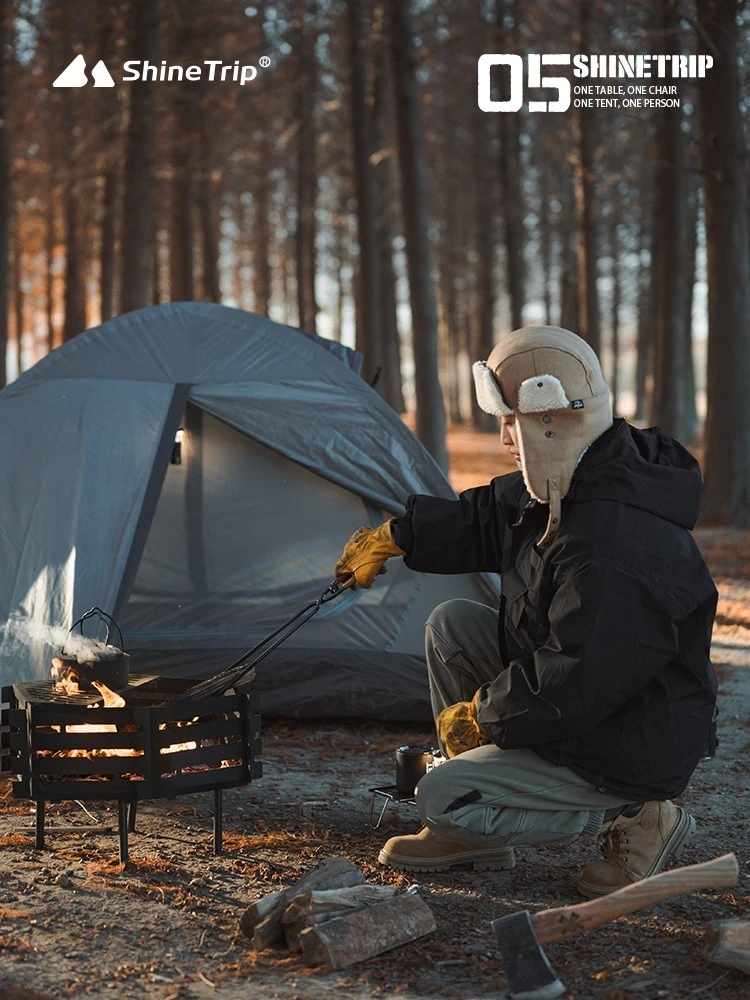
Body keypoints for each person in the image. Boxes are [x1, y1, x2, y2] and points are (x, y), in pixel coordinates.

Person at [334, 326, 718, 897]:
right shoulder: (575, 480)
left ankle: (637, 815)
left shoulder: (615, 547)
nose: (504, 437)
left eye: (512, 420)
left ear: (552, 416)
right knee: (453, 626)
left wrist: (484, 718)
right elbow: (492, 514)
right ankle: (478, 835)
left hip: (625, 746)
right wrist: (401, 535)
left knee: (441, 795)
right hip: (586, 716)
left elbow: (576, 678)